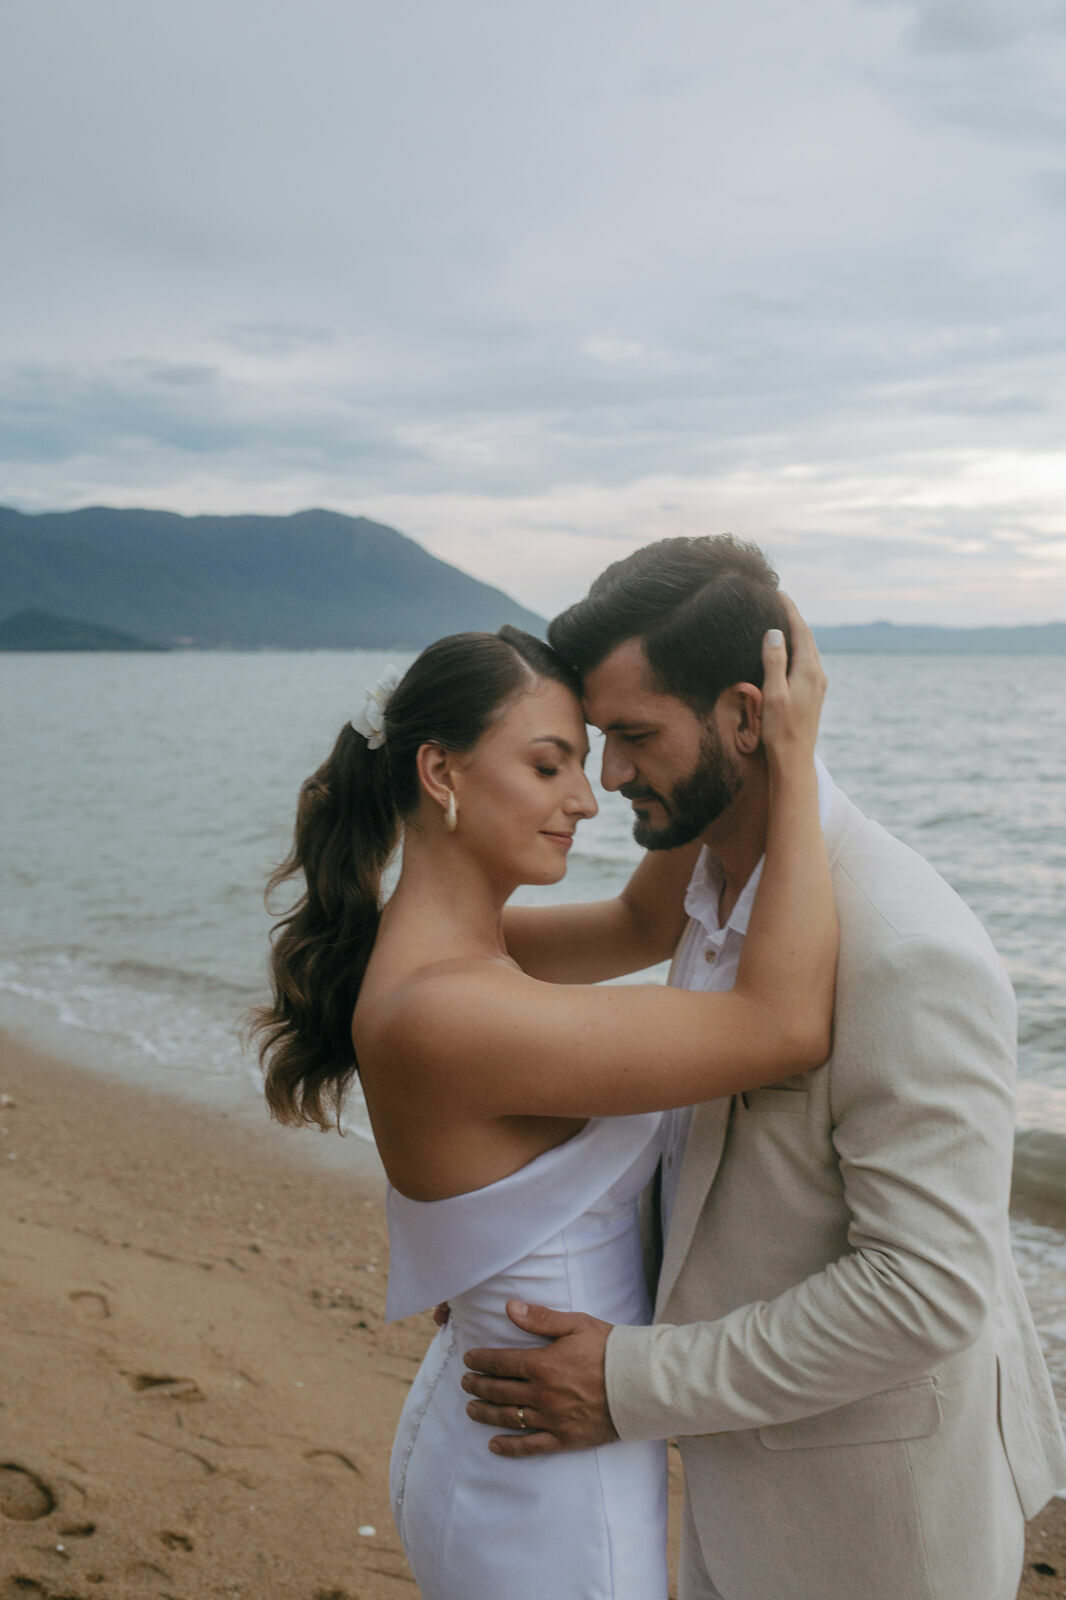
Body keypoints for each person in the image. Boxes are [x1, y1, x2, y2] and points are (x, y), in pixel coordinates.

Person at [460, 535, 1066, 1600]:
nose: (607, 777)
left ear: (750, 714)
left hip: (878, 1533)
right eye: (598, 737)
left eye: (635, 736)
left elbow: (927, 1290)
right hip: (746, 1489)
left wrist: (628, 1380)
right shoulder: (711, 881)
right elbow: (710, 1166)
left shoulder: (906, 946)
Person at [252, 606, 836, 1600]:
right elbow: (781, 1024)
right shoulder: (446, 1008)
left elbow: (646, 918)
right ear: (441, 773)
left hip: (516, 1423)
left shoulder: (460, 950)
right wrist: (794, 760)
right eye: (548, 765)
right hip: (543, 1480)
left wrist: (714, 747)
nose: (587, 799)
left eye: (591, 760)